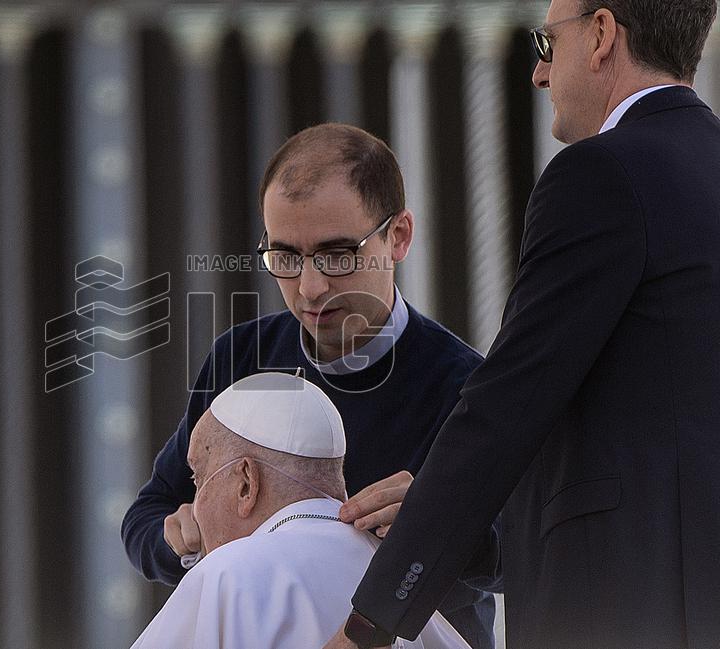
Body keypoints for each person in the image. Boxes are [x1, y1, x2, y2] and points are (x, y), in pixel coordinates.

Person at [323, 2, 720, 648]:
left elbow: (506, 404)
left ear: (600, 35)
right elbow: (634, 456)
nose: (538, 73)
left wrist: (370, 624)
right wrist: (470, 535)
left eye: (546, 42)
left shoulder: (602, 173)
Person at [122, 123, 501, 649]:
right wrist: (182, 539)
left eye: (338, 254)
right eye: (285, 257)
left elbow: (531, 547)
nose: (310, 286)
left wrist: (445, 525)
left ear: (400, 236)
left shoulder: (466, 385)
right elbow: (146, 516)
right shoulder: (240, 357)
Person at [130, 372, 471, 649]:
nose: (194, 508)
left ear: (246, 483)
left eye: (198, 477)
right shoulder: (396, 571)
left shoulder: (224, 575)